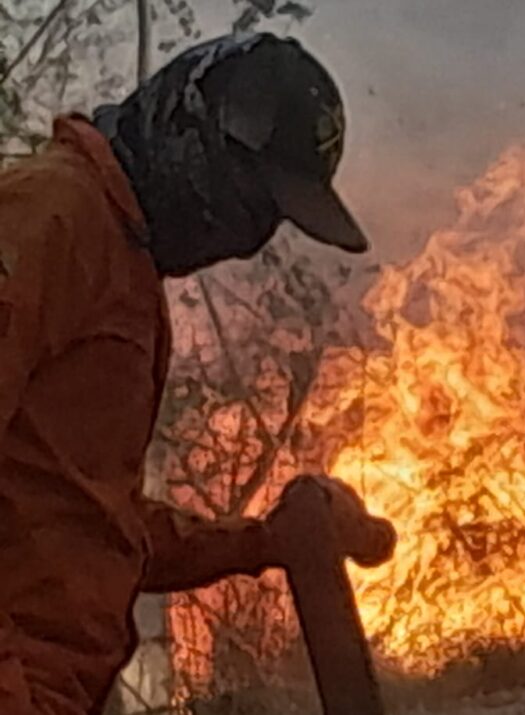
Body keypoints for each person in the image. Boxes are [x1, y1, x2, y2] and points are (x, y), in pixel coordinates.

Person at [0, 33, 395, 715]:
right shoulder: (51, 218)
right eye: (251, 200)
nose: (247, 235)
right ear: (189, 133)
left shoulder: (120, 258)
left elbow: (88, 523)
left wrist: (264, 542)